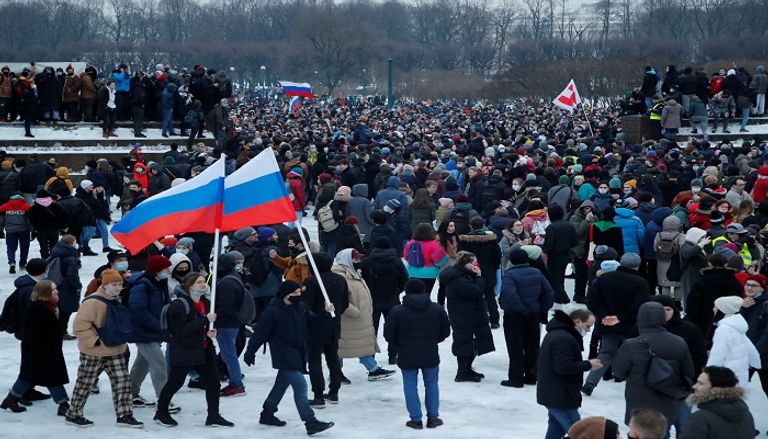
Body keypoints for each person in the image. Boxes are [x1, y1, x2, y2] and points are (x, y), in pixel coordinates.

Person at [243, 280, 335, 436]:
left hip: (298, 353)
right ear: (286, 294)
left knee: (281, 385)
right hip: (283, 354)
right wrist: (250, 351)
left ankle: (267, 413)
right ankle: (310, 421)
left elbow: (313, 323)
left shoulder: (301, 307)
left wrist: (326, 313)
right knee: (300, 385)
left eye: (300, 293)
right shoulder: (272, 312)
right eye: (295, 293)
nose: (299, 296)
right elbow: (260, 334)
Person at [154, 272, 233, 428]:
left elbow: (203, 325)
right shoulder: (179, 305)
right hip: (185, 350)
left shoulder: (205, 302)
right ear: (189, 286)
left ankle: (213, 415)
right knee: (175, 383)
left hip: (203, 350)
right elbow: (180, 330)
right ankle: (161, 412)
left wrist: (210, 330)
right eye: (199, 282)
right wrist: (204, 321)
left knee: (213, 383)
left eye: (204, 282)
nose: (203, 285)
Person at [65, 269, 142, 428]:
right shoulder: (92, 302)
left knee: (123, 383)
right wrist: (96, 342)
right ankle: (74, 414)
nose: (118, 287)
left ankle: (125, 415)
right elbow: (79, 327)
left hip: (117, 349)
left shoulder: (117, 300)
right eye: (114, 284)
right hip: (94, 352)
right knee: (85, 384)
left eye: (120, 284)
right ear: (105, 284)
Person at [612, 302, 695, 436]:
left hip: (639, 402)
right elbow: (689, 372)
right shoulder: (679, 342)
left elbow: (618, 372)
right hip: (668, 399)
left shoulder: (632, 344)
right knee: (662, 432)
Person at [384, 279, 451, 430]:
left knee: (409, 385)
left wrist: (400, 346)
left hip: (407, 353)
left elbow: (388, 334)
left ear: (406, 291)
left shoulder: (397, 311)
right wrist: (433, 340)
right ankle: (433, 417)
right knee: (432, 384)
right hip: (430, 352)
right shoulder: (437, 309)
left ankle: (416, 419)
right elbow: (445, 331)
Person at [583, 252, 650, 396]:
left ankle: (590, 383)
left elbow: (592, 301)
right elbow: (639, 305)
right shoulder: (641, 283)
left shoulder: (604, 278)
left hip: (606, 323)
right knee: (636, 354)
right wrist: (620, 317)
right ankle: (637, 387)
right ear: (637, 266)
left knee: (606, 352)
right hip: (630, 325)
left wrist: (605, 316)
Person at [1, 280, 70, 415]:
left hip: (45, 349)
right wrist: (46, 350)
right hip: (39, 350)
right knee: (51, 377)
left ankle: (11, 399)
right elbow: (34, 333)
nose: (57, 291)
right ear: (45, 293)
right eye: (53, 290)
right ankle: (63, 405)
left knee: (29, 377)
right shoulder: (36, 309)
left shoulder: (51, 306)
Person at [536, 309, 602, 439]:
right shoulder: (563, 338)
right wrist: (589, 364)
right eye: (588, 326)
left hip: (555, 394)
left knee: (555, 431)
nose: (589, 330)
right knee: (580, 433)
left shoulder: (560, 334)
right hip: (560, 397)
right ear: (577, 322)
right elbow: (564, 367)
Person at [332, 248, 396, 381]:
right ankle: (336, 372)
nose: (359, 261)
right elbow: (339, 299)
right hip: (348, 321)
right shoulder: (340, 276)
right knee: (342, 347)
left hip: (360, 321)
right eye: (355, 259)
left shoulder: (352, 273)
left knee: (362, 346)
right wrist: (355, 312)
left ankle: (373, 369)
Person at [498, 248, 554, 387]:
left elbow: (509, 295)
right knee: (532, 346)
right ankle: (531, 375)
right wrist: (541, 309)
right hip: (534, 315)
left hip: (515, 316)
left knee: (515, 347)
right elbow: (549, 293)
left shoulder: (510, 275)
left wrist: (521, 310)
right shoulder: (537, 273)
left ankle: (516, 378)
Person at [438, 251, 495, 382]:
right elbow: (475, 292)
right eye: (474, 262)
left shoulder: (464, 275)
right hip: (463, 315)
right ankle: (462, 372)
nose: (477, 264)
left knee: (472, 342)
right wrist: (479, 278)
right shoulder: (458, 279)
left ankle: (468, 369)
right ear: (467, 264)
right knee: (464, 342)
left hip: (469, 314)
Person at [301, 252, 349, 407]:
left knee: (314, 361)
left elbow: (305, 306)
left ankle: (318, 395)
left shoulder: (311, 281)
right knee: (332, 358)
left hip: (316, 326)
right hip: (334, 325)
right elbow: (345, 303)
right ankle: (334, 392)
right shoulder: (340, 280)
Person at [126, 255, 172, 408]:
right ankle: (164, 399)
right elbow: (138, 310)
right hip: (143, 331)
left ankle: (130, 394)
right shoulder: (142, 286)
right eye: (166, 268)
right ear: (157, 270)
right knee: (159, 364)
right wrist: (158, 325)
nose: (169, 270)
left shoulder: (161, 282)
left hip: (154, 331)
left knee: (142, 363)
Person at [360, 236, 409, 365]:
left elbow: (360, 280)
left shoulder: (367, 261)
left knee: (371, 329)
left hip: (372, 300)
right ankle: (393, 355)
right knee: (393, 328)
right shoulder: (397, 261)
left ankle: (371, 356)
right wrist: (396, 291)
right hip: (392, 300)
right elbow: (405, 279)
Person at [680, 366, 755, 439]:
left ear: (715, 389)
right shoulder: (746, 414)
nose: (694, 386)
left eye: (700, 383)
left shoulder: (700, 418)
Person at [707, 296, 761, 388]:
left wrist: (708, 375)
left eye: (715, 307)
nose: (713, 310)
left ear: (723, 310)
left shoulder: (723, 329)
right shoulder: (737, 327)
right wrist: (756, 362)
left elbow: (717, 355)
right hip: (741, 374)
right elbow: (750, 347)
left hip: (726, 376)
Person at [457, 216, 502, 328]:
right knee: (490, 295)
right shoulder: (491, 240)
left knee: (470, 296)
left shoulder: (464, 241)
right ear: (483, 226)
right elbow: (497, 256)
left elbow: (460, 256)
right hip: (488, 271)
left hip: (469, 271)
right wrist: (494, 268)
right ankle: (494, 320)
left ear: (470, 226)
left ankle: (471, 319)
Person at [685, 254, 742, 337]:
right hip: (728, 321)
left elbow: (692, 304)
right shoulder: (735, 282)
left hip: (703, 322)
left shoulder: (700, 282)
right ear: (726, 264)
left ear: (709, 264)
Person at [214, 254, 247, 397]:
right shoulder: (234, 277)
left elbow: (225, 307)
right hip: (233, 322)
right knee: (229, 353)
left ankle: (237, 384)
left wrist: (215, 321)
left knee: (228, 355)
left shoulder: (226, 283)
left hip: (227, 324)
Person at [650, 295, 707, 375]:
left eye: (668, 309)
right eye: (660, 310)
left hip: (682, 377)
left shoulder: (689, 329)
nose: (665, 313)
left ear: (674, 310)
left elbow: (699, 356)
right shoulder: (642, 328)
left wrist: (689, 376)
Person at [739, 274, 768, 399]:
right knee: (736, 389)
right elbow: (738, 324)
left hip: (763, 355)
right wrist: (743, 308)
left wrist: (755, 352)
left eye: (754, 286)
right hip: (745, 354)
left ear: (762, 288)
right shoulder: (745, 303)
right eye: (747, 284)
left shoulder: (765, 304)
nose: (749, 288)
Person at [542, 205, 577, 304]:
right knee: (561, 277)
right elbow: (575, 242)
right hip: (566, 255)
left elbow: (548, 245)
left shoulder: (551, 227)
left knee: (554, 279)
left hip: (554, 256)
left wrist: (544, 250)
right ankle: (557, 297)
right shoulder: (570, 225)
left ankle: (563, 298)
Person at [49, 235, 82, 339]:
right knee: (65, 311)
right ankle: (62, 332)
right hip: (66, 287)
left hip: (56, 284)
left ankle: (56, 331)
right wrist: (77, 285)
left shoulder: (56, 252)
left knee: (58, 309)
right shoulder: (70, 257)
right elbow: (72, 275)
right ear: (70, 244)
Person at [403, 222, 447, 296]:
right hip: (430, 274)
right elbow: (439, 261)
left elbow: (406, 257)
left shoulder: (410, 243)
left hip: (412, 272)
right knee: (426, 294)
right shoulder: (434, 245)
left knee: (413, 294)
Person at [0, 192, 31, 273]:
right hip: (23, 230)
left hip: (10, 231)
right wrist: (32, 230)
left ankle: (12, 263)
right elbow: (29, 221)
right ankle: (23, 264)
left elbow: (1, 220)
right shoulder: (26, 206)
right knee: (24, 247)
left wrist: (0, 230)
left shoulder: (4, 206)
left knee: (11, 248)